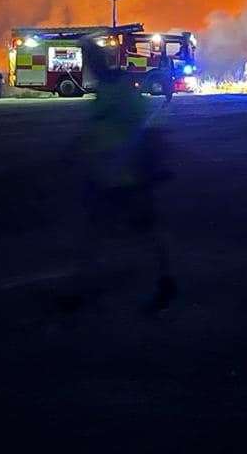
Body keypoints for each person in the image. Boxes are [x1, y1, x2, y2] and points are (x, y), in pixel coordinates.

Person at [75, 40, 176, 313]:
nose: (88, 67)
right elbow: (101, 129)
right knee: (97, 231)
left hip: (128, 174)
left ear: (97, 62)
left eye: (89, 61)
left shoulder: (120, 87)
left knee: (141, 231)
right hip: (109, 173)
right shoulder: (106, 88)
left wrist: (148, 163)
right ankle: (83, 287)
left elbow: (142, 126)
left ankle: (164, 280)